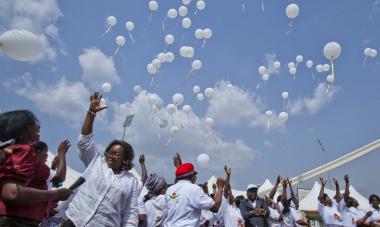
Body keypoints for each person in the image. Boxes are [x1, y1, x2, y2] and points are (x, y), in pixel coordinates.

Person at [59, 92, 139, 226]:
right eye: (109, 152)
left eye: (116, 154)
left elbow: (130, 213)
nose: (110, 155)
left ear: (125, 160)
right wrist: (91, 112)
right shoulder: (96, 163)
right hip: (73, 221)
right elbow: (84, 141)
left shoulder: (131, 182)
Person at [0, 110, 72, 227]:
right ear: (21, 132)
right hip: (15, 220)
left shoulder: (11, 150)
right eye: (31, 123)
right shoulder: (24, 150)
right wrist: (56, 194)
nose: (37, 126)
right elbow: (12, 193)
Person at [163, 162, 226, 227]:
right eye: (195, 174)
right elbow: (215, 208)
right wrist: (220, 187)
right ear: (191, 175)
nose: (196, 177)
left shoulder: (169, 190)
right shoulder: (194, 189)